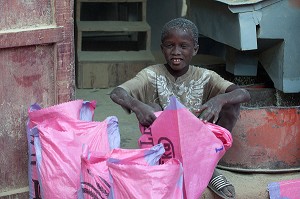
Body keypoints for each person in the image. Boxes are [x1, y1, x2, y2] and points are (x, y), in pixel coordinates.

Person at [110, 17, 251, 199]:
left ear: (195, 49)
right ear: (162, 48)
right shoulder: (151, 74)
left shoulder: (205, 76)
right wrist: (137, 106)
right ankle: (162, 166)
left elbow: (244, 94)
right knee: (151, 106)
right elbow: (117, 93)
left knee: (230, 103)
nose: (176, 52)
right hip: (165, 145)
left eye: (183, 46)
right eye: (170, 45)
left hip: (198, 145)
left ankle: (208, 168)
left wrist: (220, 100)